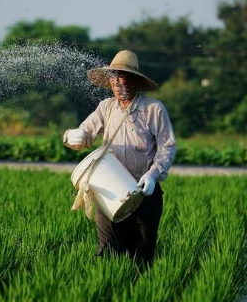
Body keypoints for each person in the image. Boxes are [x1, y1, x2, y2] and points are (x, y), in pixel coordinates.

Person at [63, 50, 176, 264]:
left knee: (141, 256)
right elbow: (85, 133)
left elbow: (167, 147)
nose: (119, 85)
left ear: (135, 81)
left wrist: (153, 175)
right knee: (106, 251)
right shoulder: (105, 107)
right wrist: (72, 136)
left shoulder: (153, 109)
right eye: (115, 80)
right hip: (110, 193)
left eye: (124, 79)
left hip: (144, 191)